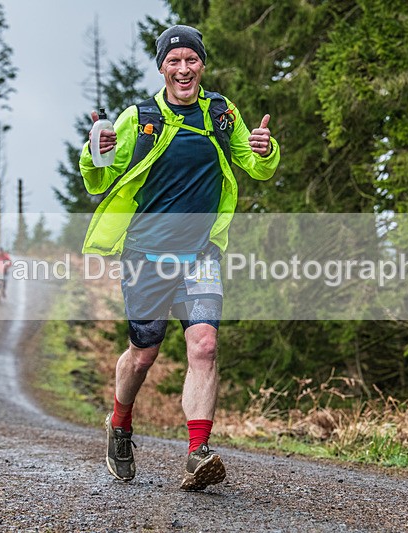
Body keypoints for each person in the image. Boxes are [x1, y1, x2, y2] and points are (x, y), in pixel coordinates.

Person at [79, 25, 280, 491]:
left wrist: (264, 151)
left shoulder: (222, 113)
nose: (184, 69)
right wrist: (97, 150)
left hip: (200, 254)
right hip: (145, 256)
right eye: (175, 61)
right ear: (162, 67)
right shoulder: (140, 116)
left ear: (202, 65)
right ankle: (120, 424)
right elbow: (96, 174)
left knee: (205, 345)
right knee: (144, 355)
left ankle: (197, 453)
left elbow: (255, 164)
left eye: (192, 60)